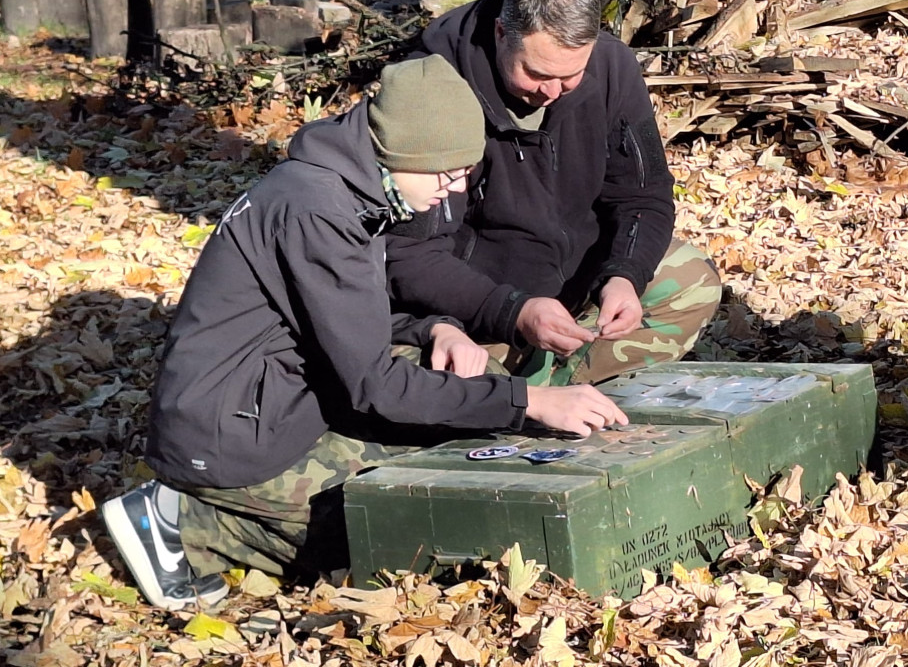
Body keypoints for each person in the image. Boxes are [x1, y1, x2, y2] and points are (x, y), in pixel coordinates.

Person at [100, 55, 627, 611]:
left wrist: (434, 329)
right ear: (399, 149)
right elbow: (373, 384)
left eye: (463, 174)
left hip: (264, 394)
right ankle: (179, 522)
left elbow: (342, 315)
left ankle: (215, 515)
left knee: (452, 419)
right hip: (227, 428)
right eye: (443, 173)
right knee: (376, 532)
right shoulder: (319, 209)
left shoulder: (345, 187)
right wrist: (532, 400)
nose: (450, 192)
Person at [386, 0, 723, 387]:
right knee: (435, 377)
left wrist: (624, 275)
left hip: (574, 283)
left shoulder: (612, 66)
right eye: (538, 73)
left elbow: (644, 196)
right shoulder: (428, 88)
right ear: (500, 33)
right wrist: (512, 310)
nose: (552, 91)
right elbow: (407, 254)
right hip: (473, 308)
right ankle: (521, 388)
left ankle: (549, 380)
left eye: (570, 75)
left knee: (691, 280)